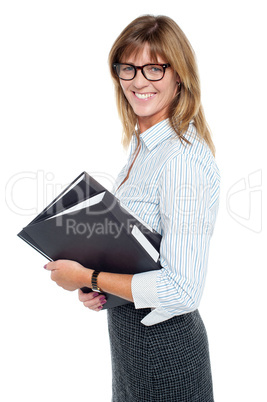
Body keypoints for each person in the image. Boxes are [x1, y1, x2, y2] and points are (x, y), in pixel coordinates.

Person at [45, 14, 220, 401]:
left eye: (155, 68)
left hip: (165, 354)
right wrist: (99, 286)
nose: (139, 81)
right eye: (129, 67)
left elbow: (182, 289)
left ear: (179, 75)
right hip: (131, 347)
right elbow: (140, 253)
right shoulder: (144, 146)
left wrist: (89, 276)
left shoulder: (180, 161)